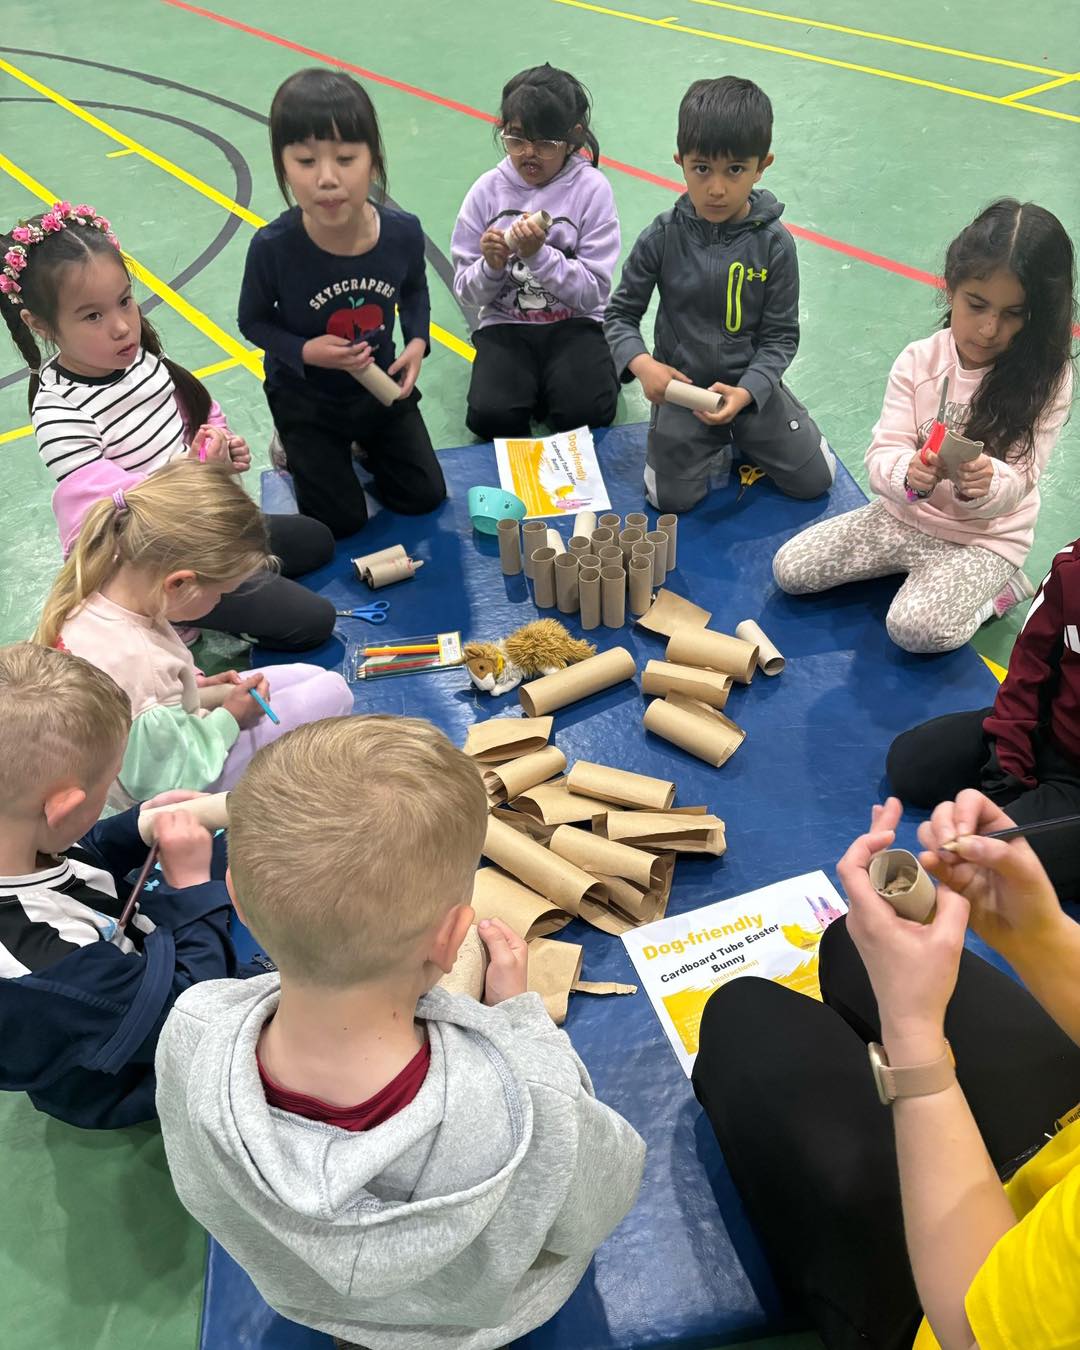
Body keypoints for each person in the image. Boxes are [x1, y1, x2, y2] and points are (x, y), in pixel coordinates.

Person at [155, 715, 645, 1350]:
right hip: (485, 1319)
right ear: (451, 937)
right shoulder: (528, 1098)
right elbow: (599, 1203)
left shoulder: (192, 1031)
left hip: (316, 1304)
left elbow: (206, 1196)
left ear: (238, 902)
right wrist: (521, 1025)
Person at [693, 792, 1080, 1349]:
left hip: (962, 1314)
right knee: (848, 945)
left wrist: (913, 1033)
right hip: (1061, 1162)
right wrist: (1036, 935)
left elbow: (969, 1329)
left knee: (744, 1020)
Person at [0, 201, 336, 651]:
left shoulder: (138, 359)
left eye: (124, 301)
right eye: (92, 315)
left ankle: (231, 579)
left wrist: (221, 444)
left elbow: (198, 415)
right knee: (314, 620)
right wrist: (201, 474)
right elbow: (116, 516)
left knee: (317, 541)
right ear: (39, 324)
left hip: (198, 526)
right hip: (155, 564)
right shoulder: (60, 409)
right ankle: (178, 619)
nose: (122, 327)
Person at [773, 199, 1075, 654]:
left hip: (983, 539)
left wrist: (989, 482)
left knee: (914, 629)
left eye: (1013, 314)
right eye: (977, 305)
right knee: (791, 569)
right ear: (952, 288)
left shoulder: (1046, 381)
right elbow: (883, 455)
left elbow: (1022, 478)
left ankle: (1001, 590)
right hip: (906, 515)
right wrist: (906, 474)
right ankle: (927, 574)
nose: (990, 328)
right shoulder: (920, 360)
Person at [0, 642, 266, 1129]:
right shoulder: (44, 963)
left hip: (118, 978)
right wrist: (190, 889)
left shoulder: (15, 839)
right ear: (62, 808)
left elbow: (82, 856)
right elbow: (190, 1018)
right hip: (130, 1070)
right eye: (105, 788)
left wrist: (137, 824)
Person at [33, 460, 353, 808]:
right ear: (180, 583)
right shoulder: (141, 664)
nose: (222, 601)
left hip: (157, 737)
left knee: (309, 676)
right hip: (174, 783)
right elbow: (170, 777)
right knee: (333, 691)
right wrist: (230, 717)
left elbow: (150, 701)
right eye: (222, 592)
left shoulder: (109, 591)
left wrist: (195, 688)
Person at [604, 76, 835, 511]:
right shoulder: (662, 235)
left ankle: (749, 435)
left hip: (750, 395)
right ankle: (701, 441)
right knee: (668, 501)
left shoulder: (775, 245)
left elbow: (781, 338)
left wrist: (748, 391)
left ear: (762, 165)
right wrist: (645, 366)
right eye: (702, 168)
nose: (716, 188)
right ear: (680, 162)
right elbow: (619, 316)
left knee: (815, 481)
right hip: (683, 392)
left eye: (735, 170)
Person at [238, 69, 446, 539]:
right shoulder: (273, 247)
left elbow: (414, 288)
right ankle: (294, 444)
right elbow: (252, 321)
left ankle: (364, 445)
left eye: (346, 158)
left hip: (378, 387)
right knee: (341, 523)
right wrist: (307, 352)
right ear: (284, 166)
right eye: (306, 161)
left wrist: (416, 341)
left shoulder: (402, 232)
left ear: (373, 161)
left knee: (423, 496)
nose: (327, 179)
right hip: (306, 397)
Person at [887, 537, 1080, 901]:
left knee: (993, 864)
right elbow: (1029, 670)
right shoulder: (1073, 568)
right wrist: (1006, 770)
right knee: (910, 763)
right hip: (1050, 731)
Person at [451, 64, 620, 440]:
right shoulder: (486, 190)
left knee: (587, 413)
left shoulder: (592, 190)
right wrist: (491, 265)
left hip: (574, 323)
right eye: (517, 139)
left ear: (573, 136)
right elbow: (466, 290)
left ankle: (561, 381)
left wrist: (539, 256)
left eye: (546, 144)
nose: (529, 154)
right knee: (490, 418)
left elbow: (595, 291)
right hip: (507, 324)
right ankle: (540, 385)